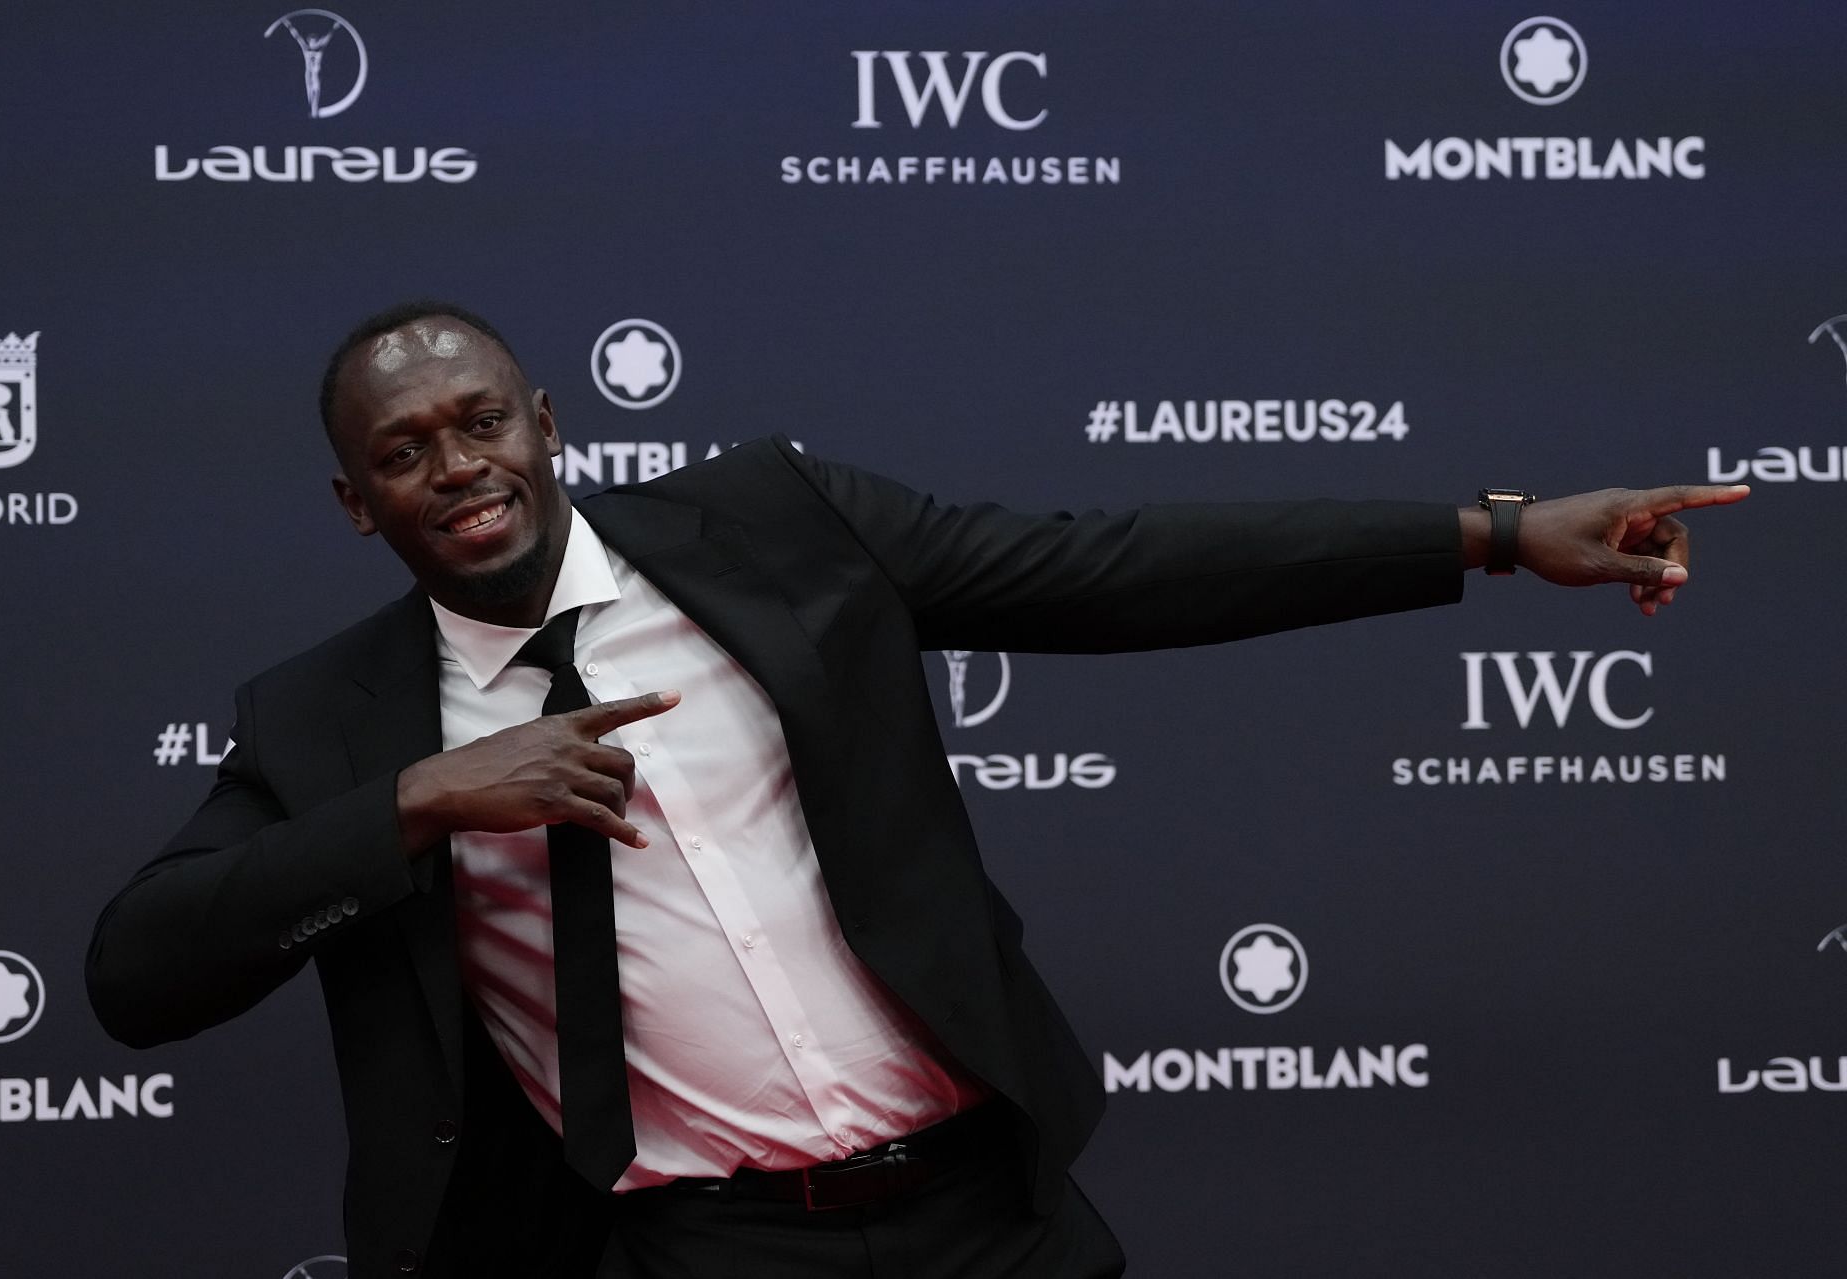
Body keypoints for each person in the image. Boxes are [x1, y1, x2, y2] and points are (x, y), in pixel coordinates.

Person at [85, 301, 1748, 1279]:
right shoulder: (335, 714)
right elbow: (139, 970)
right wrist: (423, 803)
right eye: (404, 454)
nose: (457, 468)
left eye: (478, 422)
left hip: (978, 1213)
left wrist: (1487, 532)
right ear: (354, 507)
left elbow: (1116, 567)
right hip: (684, 1253)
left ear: (547, 420)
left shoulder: (776, 524)